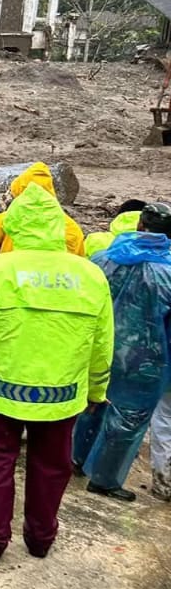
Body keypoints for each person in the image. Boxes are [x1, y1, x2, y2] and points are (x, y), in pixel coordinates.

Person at [0, 183, 113, 562]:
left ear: (13, 225)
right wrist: (97, 392)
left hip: (0, 394)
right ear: (60, 226)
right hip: (62, 397)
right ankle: (41, 538)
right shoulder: (91, 276)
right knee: (52, 468)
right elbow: (102, 345)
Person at [72, 202, 171, 500]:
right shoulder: (167, 272)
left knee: (92, 402)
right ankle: (105, 478)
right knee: (129, 419)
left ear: (140, 225)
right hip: (147, 358)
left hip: (99, 347)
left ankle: (75, 458)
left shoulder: (103, 259)